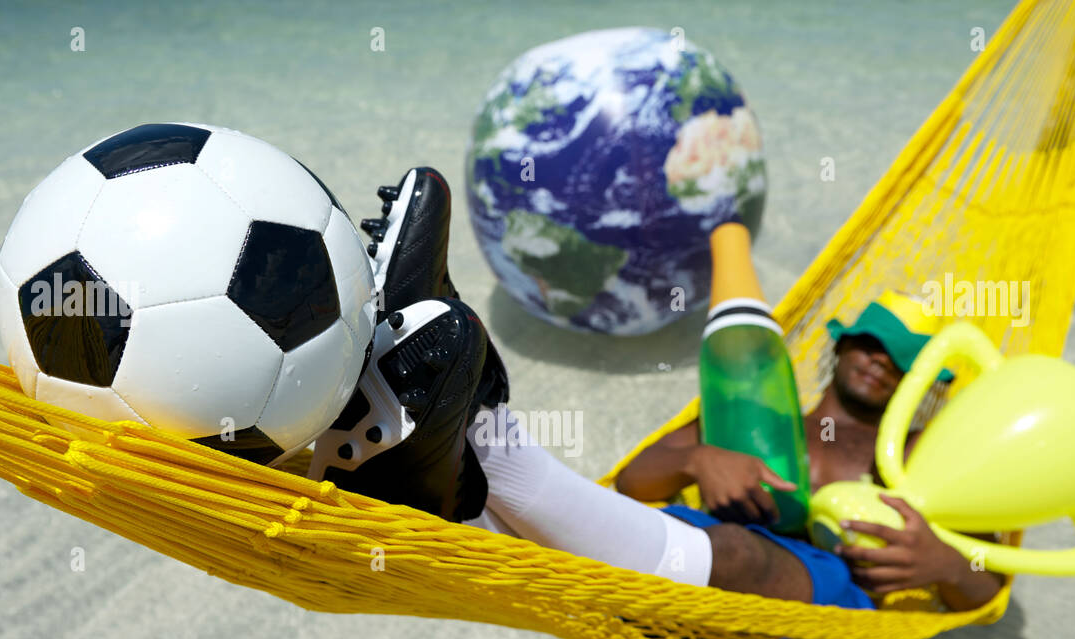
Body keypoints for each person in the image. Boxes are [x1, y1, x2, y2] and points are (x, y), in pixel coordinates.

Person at [309, 165, 1003, 612]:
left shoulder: (927, 453)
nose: (881, 361)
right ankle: (423, 449)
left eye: (903, 361)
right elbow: (634, 485)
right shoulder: (760, 412)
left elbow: (987, 585)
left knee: (736, 552)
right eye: (872, 342)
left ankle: (476, 430)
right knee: (532, 539)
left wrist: (944, 558)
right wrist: (697, 459)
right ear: (843, 343)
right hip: (680, 556)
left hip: (823, 627)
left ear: (925, 385)